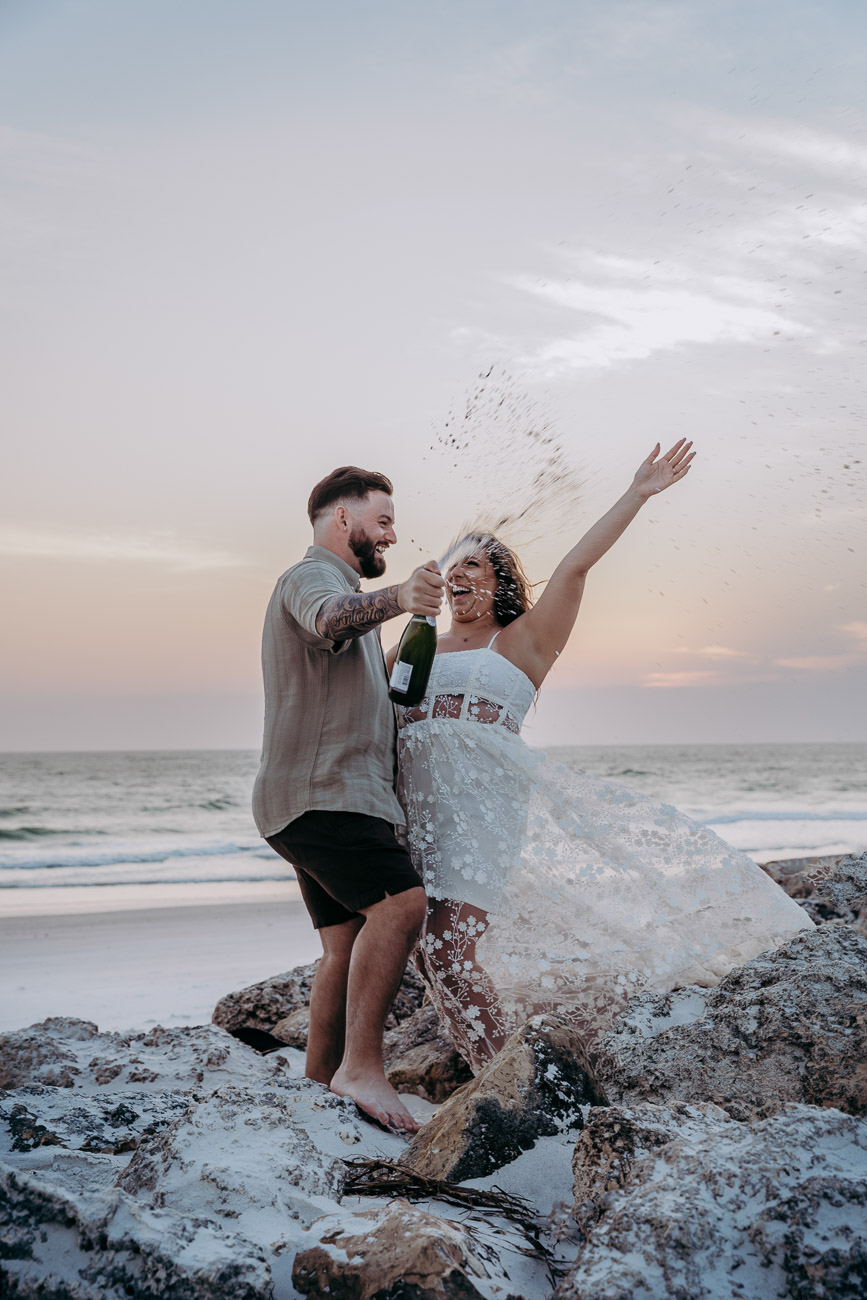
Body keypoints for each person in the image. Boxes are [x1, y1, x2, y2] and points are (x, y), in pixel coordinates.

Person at [392, 440, 814, 1072]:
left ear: (500, 580)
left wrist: (638, 492)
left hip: (480, 814)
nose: (460, 576)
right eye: (456, 566)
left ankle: (511, 1081)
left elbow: (574, 569)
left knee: (452, 948)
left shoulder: (523, 639)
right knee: (428, 953)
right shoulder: (416, 641)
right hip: (412, 812)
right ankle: (488, 1071)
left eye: (476, 565)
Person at [253, 465, 445, 1131]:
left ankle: (317, 1082)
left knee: (344, 940)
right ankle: (363, 1067)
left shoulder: (355, 615)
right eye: (382, 520)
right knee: (400, 907)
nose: (390, 535)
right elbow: (331, 617)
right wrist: (398, 596)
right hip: (322, 798)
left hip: (310, 801)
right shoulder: (313, 579)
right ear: (343, 519)